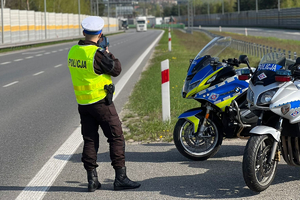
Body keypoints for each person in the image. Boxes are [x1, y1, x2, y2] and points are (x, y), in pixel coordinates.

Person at [67, 16, 141, 192]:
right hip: (101, 103)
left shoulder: (73, 51)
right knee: (116, 136)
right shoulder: (97, 55)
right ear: (100, 34)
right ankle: (120, 178)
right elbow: (116, 69)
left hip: (83, 104)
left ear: (84, 32)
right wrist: (107, 52)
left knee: (90, 139)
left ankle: (92, 180)